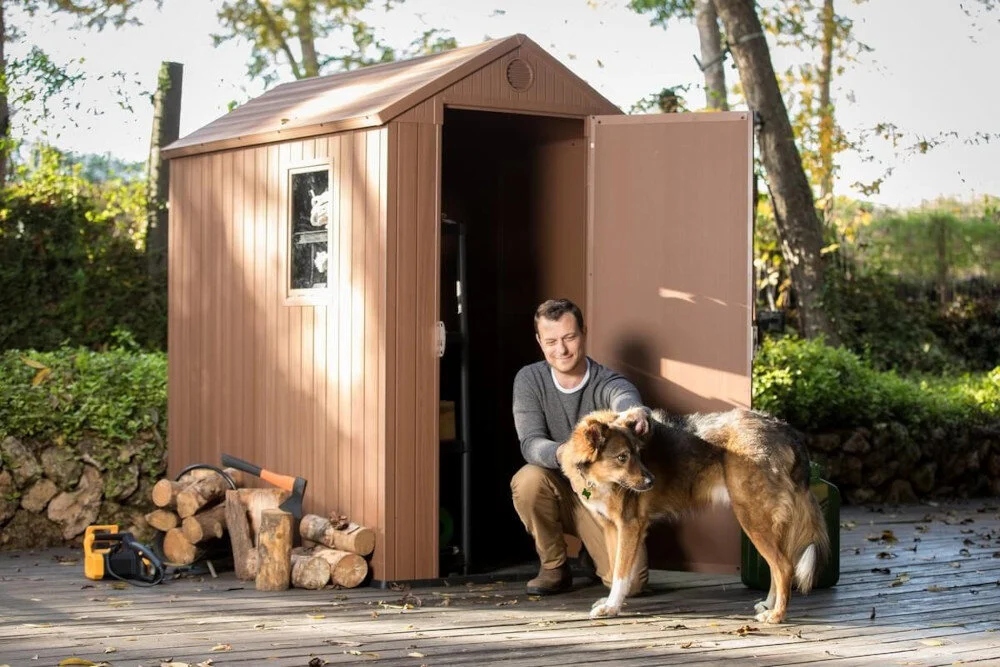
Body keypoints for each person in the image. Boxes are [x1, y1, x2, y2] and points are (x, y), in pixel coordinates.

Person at [510, 298, 651, 596]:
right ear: (539, 341)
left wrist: (635, 413)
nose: (561, 349)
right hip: (557, 487)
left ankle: (592, 551)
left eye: (569, 337)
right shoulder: (529, 380)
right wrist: (568, 456)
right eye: (551, 341)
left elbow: (624, 397)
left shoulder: (606, 381)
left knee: (633, 585)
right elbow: (530, 443)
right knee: (527, 480)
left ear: (584, 333)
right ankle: (554, 566)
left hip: (595, 494)